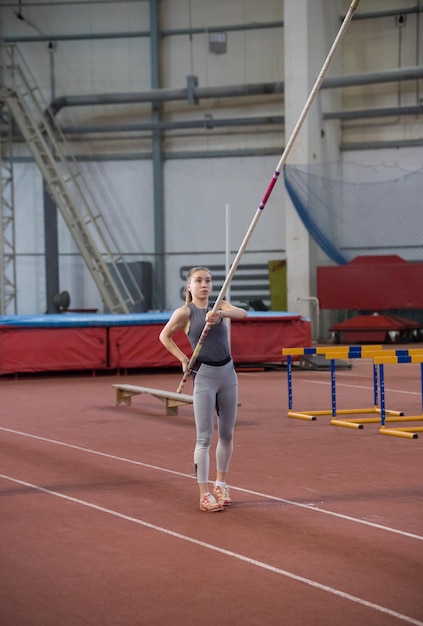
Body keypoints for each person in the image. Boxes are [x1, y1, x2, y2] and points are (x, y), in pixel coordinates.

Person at [159, 266, 247, 512]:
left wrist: (219, 313)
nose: (204, 284)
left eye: (208, 280)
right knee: (204, 437)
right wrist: (183, 359)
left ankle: (221, 483)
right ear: (189, 286)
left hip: (228, 374)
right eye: (198, 281)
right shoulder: (184, 313)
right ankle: (204, 493)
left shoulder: (220, 304)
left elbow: (243, 314)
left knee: (227, 434)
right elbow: (164, 336)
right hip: (205, 376)